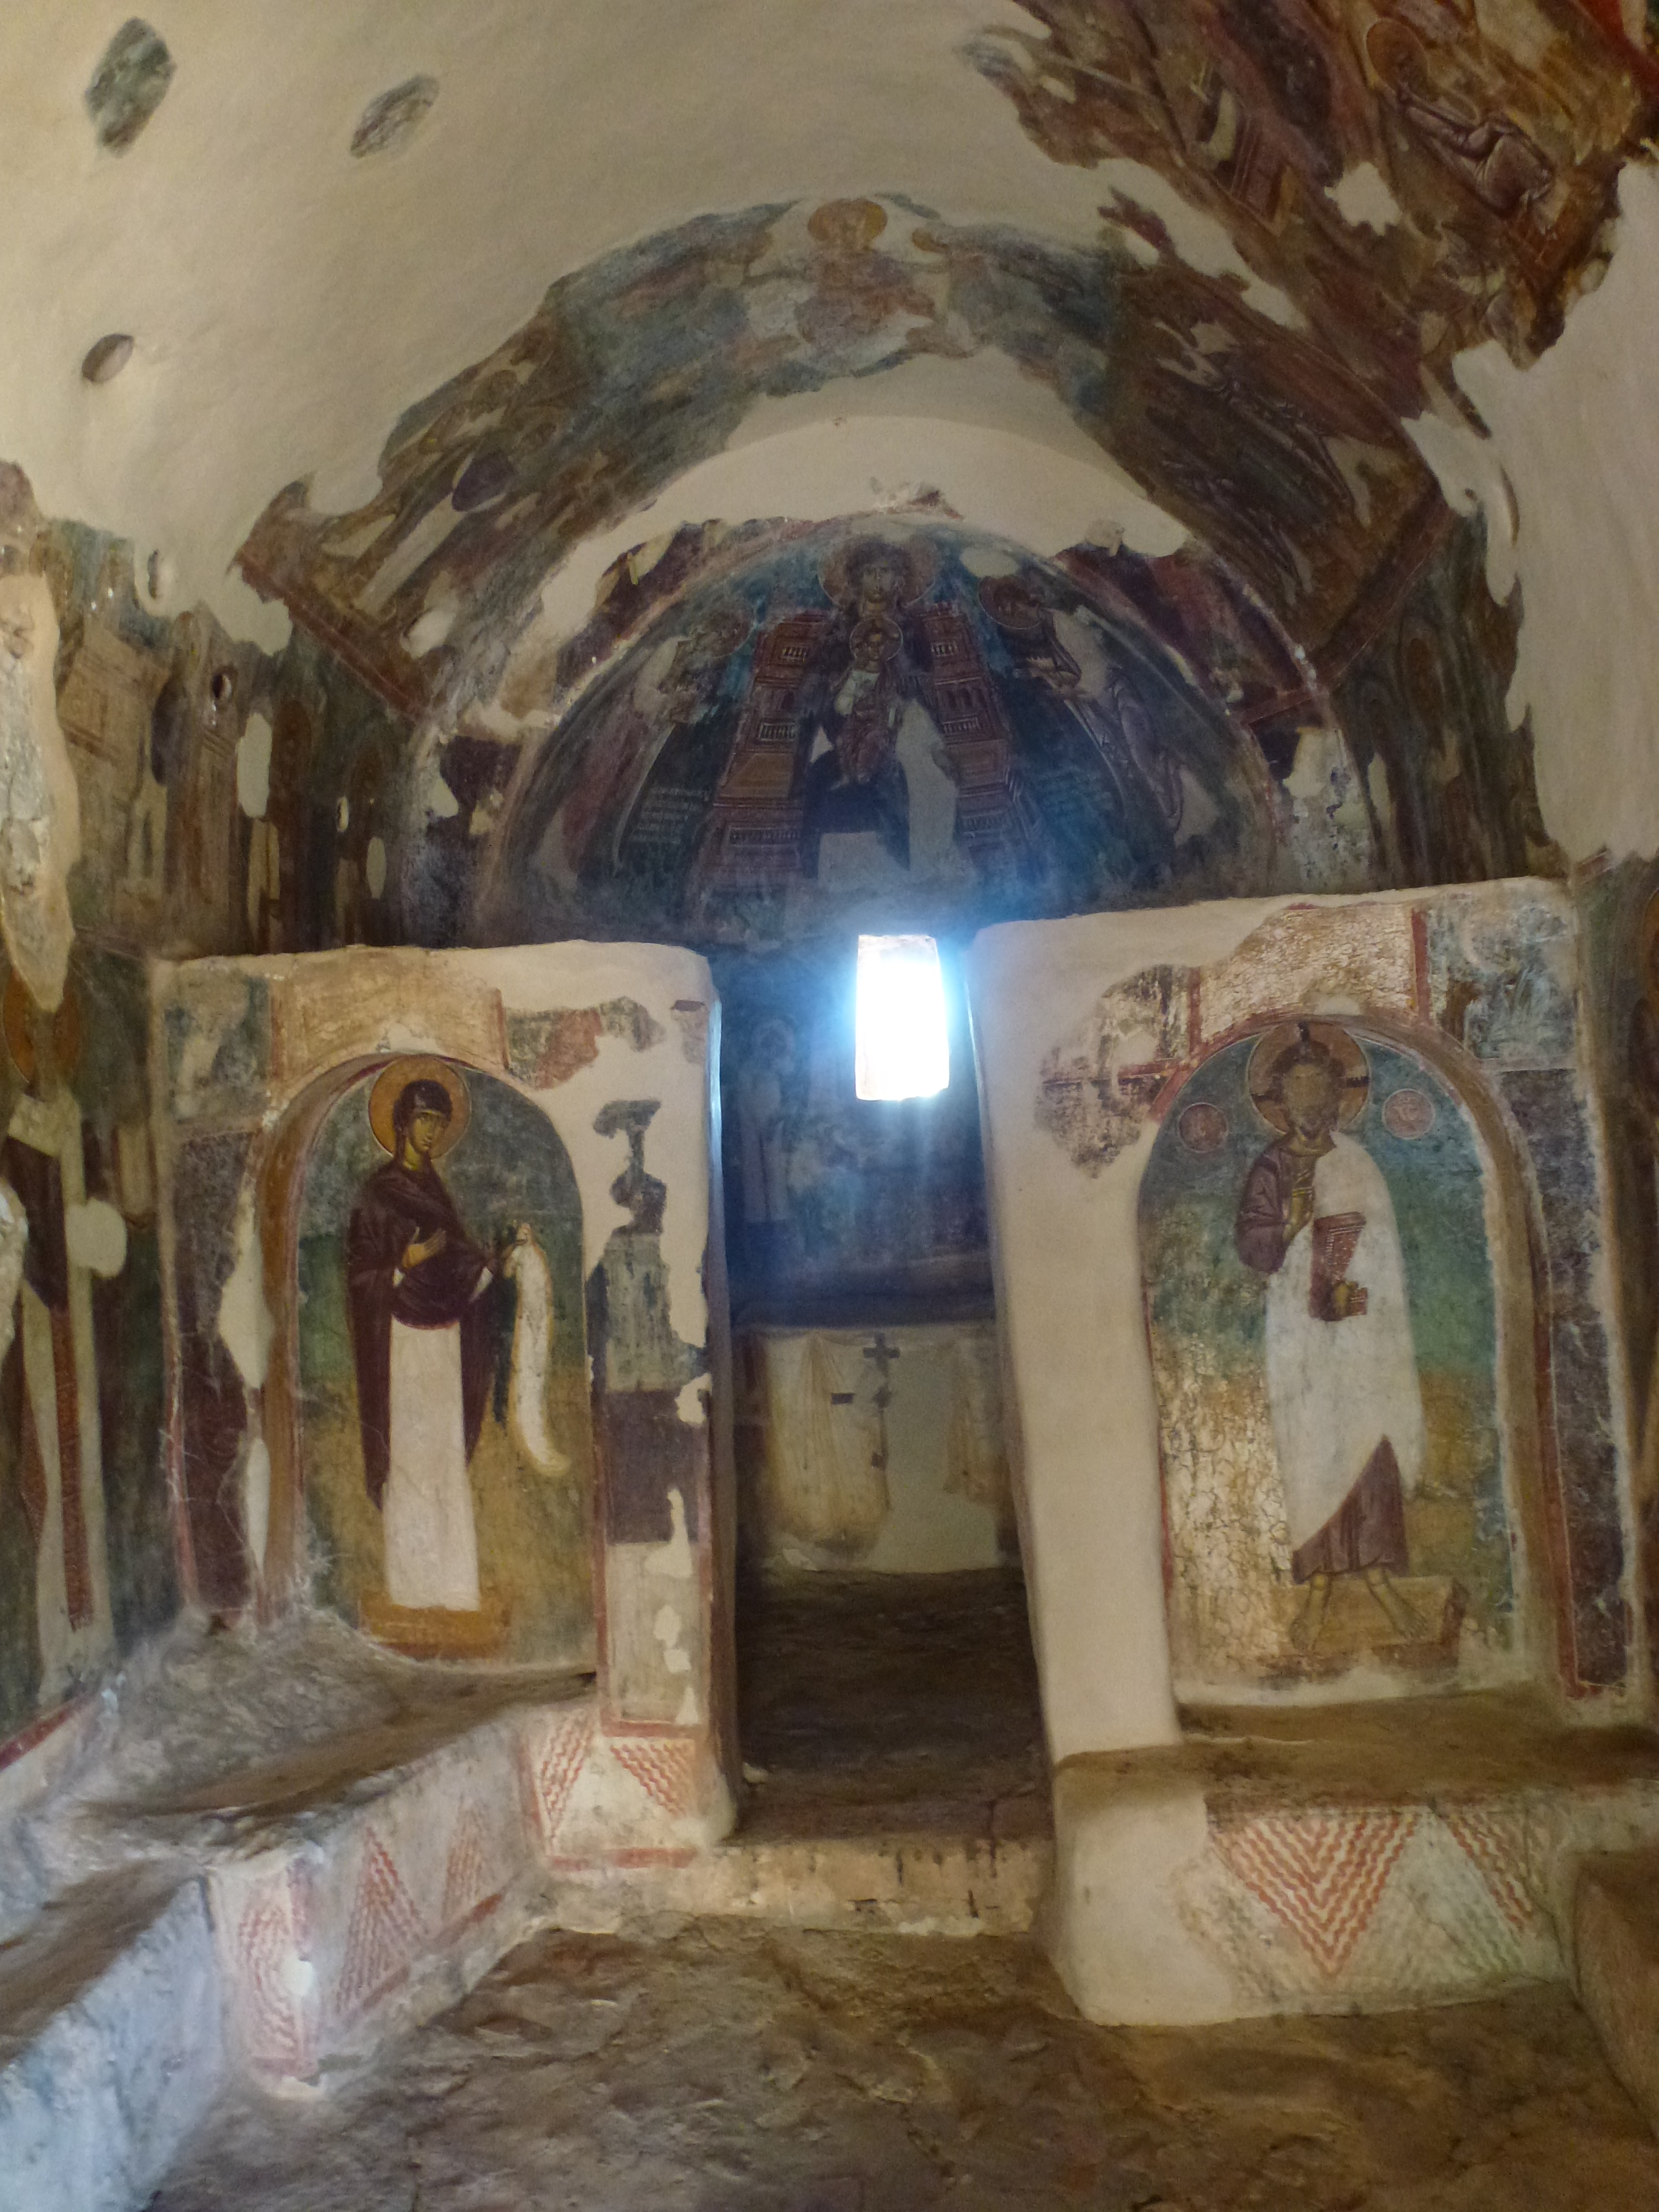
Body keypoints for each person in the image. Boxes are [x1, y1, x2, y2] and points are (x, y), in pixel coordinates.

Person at [1234, 1026, 1426, 1653]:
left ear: (1338, 1097)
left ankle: (1378, 1578)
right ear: (1281, 1101)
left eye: (1320, 1091)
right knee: (1311, 1445)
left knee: (1368, 1442)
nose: (1310, 1103)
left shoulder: (1357, 1163)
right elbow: (1255, 1249)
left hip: (1360, 1333)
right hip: (1300, 1335)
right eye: (1298, 1092)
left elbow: (1382, 1249)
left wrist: (1359, 1294)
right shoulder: (1271, 1167)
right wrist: (1292, 1227)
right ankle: (1317, 1586)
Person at [347, 1073, 495, 1612]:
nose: (432, 1132)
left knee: (446, 1457)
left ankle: (456, 1589)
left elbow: (457, 1259)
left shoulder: (435, 1191)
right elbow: (360, 1275)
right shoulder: (377, 1194)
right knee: (410, 1456)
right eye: (425, 1120)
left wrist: (491, 1267)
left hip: (446, 1337)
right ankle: (411, 1590)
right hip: (403, 1341)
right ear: (403, 1122)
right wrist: (402, 1262)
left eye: (440, 1122)